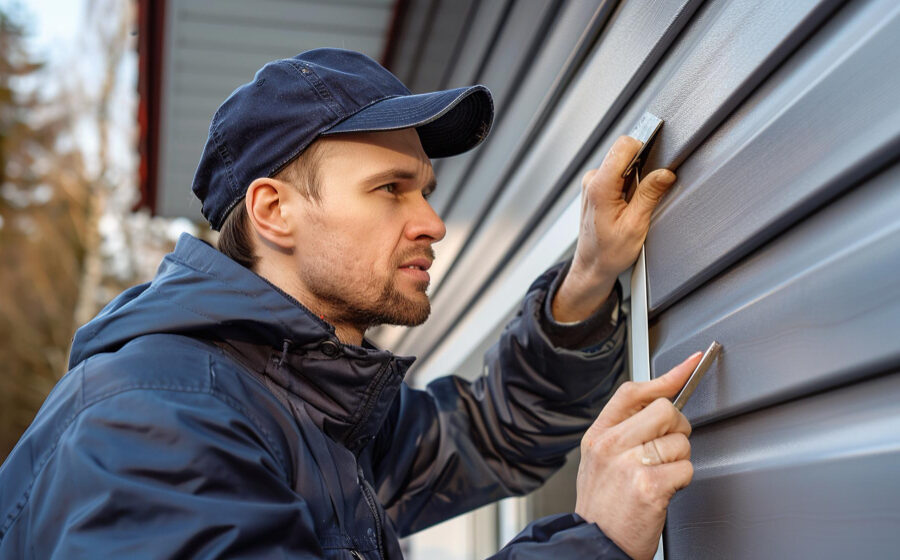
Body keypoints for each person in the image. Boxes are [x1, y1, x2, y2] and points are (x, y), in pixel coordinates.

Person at [0, 49, 700, 559]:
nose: (432, 221)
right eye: (391, 189)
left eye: (425, 189)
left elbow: (489, 439)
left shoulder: (300, 404)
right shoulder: (155, 426)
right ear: (273, 211)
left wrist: (587, 277)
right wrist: (595, 544)